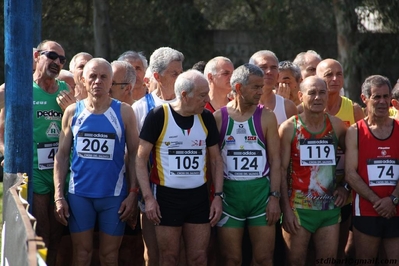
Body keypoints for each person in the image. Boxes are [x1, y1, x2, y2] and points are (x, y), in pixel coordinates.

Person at [53, 58, 139, 265]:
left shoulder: (125, 112)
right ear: (82, 80)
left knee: (109, 256)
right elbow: (62, 155)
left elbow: (135, 155)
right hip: (79, 195)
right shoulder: (72, 112)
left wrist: (133, 194)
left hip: (114, 197)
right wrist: (58, 195)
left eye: (103, 77)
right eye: (92, 76)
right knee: (81, 255)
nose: (97, 81)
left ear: (111, 82)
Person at [136, 69, 223, 266]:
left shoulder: (206, 118)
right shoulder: (158, 115)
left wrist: (218, 196)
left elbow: (217, 160)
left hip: (198, 197)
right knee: (169, 258)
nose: (206, 99)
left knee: (199, 258)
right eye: (202, 95)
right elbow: (140, 159)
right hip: (167, 198)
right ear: (184, 95)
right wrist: (148, 198)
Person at [214, 64, 281, 265]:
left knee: (263, 259)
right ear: (239, 87)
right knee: (232, 259)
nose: (261, 91)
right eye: (255, 87)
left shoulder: (267, 116)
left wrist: (274, 197)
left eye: (262, 87)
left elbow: (276, 160)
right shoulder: (219, 117)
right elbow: (214, 161)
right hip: (230, 197)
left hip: (260, 195)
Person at [279, 76, 347, 266]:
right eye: (312, 93)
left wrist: (345, 186)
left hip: (329, 210)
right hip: (298, 210)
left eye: (322, 92)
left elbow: (355, 160)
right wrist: (286, 209)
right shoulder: (289, 128)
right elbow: (281, 171)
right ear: (300, 96)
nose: (318, 97)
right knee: (296, 261)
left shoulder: (337, 126)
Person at [132, 46, 184, 266]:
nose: (181, 78)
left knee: (181, 255)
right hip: (152, 192)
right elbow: (134, 156)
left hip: (187, 192)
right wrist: (136, 193)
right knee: (153, 255)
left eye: (182, 72)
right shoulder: (141, 108)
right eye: (175, 74)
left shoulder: (191, 106)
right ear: (156, 76)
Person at [345, 75, 399, 265]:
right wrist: (378, 202)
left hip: (396, 208)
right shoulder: (355, 131)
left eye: (386, 96)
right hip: (367, 210)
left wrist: (392, 200)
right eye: (377, 97)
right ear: (364, 98)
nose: (383, 102)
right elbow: (350, 174)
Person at [315, 58, 364, 260]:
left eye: (339, 74)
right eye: (328, 74)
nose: (335, 79)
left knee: (338, 254)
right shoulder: (302, 110)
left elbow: (362, 153)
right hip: (310, 195)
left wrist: (346, 187)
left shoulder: (354, 109)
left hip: (344, 192)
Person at [31, 40, 73, 266]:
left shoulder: (66, 90)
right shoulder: (22, 89)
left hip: (61, 170)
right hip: (36, 170)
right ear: (37, 55)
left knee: (57, 235)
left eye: (62, 59)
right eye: (52, 56)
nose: (57, 62)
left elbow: (78, 128)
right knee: (41, 232)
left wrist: (72, 110)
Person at [249, 50, 297, 126]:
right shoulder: (240, 105)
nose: (269, 71)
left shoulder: (288, 107)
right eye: (263, 67)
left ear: (278, 75)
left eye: (273, 68)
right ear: (250, 73)